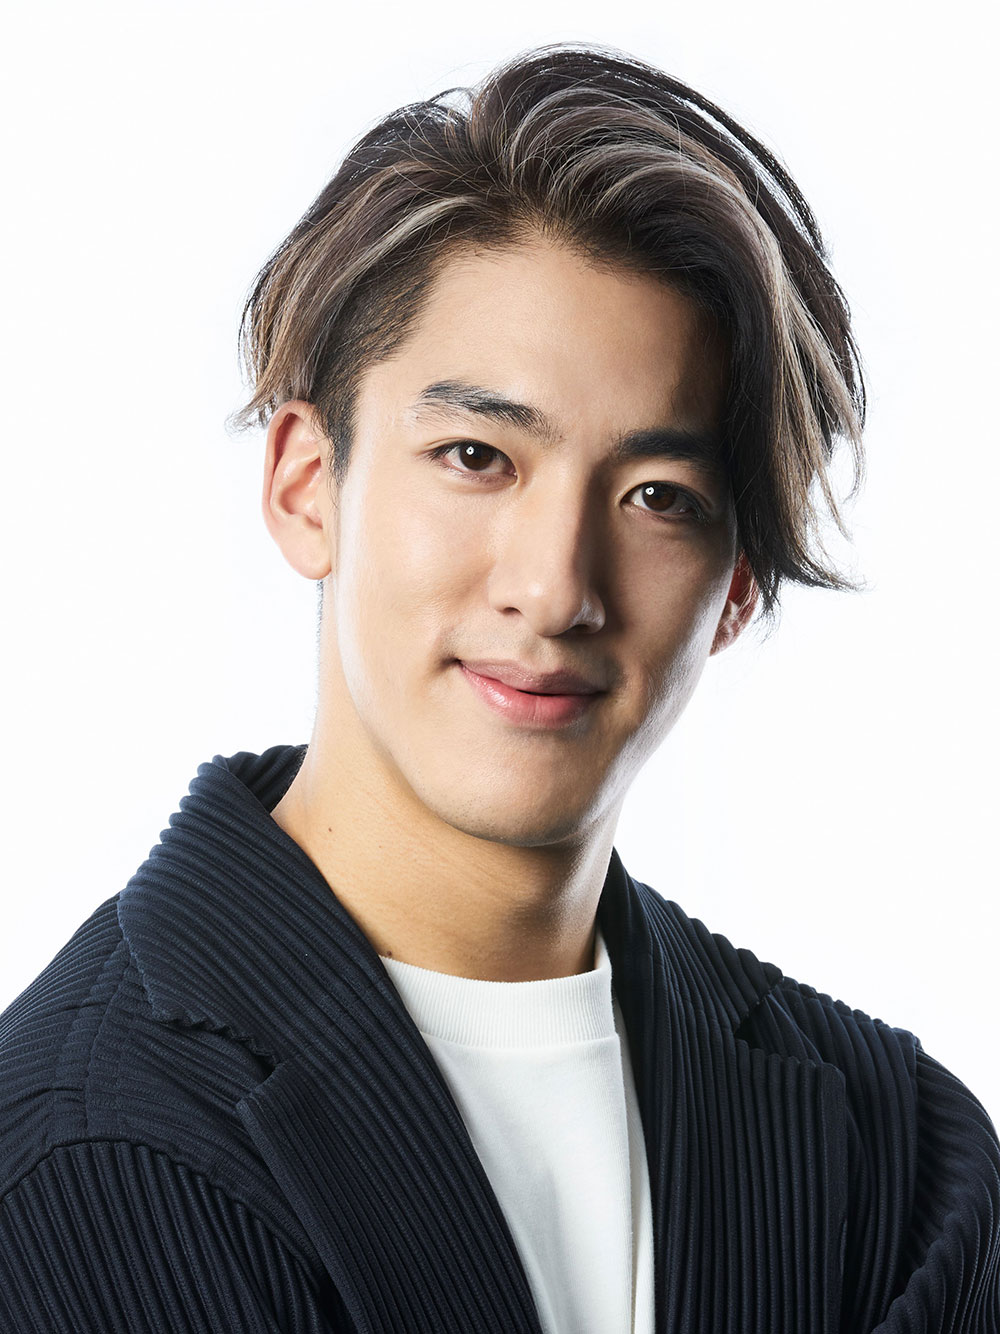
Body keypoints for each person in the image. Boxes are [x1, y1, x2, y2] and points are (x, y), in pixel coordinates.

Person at [0, 42, 996, 1334]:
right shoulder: (96, 1153)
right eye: (476, 456)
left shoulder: (896, 1153)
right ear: (306, 486)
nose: (555, 585)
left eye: (658, 496)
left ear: (738, 585)